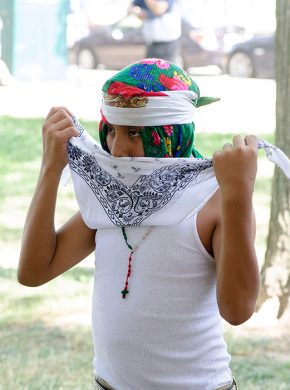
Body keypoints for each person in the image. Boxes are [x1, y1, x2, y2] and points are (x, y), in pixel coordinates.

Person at [18, 58, 261, 389]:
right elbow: (34, 272)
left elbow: (238, 310)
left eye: (134, 132)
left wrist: (238, 196)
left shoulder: (215, 200)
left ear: (173, 132)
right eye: (112, 132)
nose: (118, 149)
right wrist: (50, 170)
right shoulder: (112, 197)